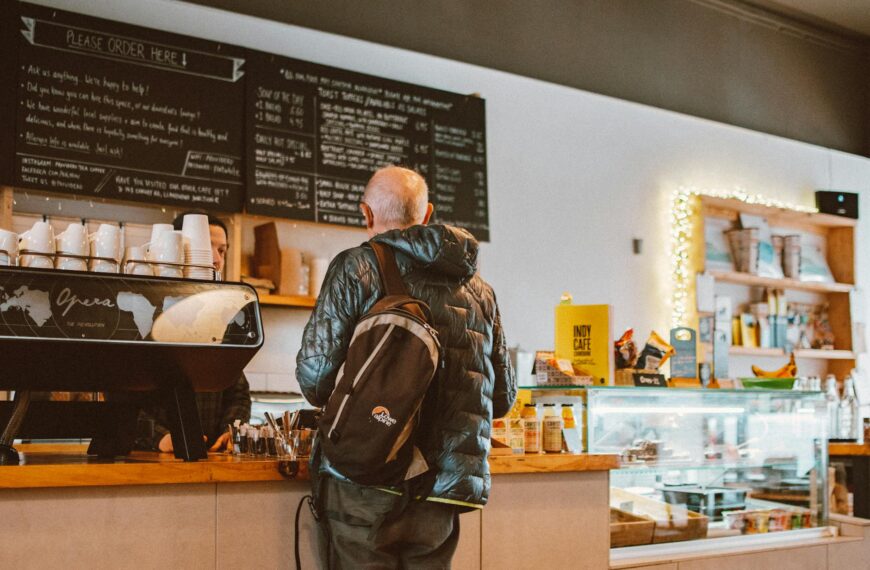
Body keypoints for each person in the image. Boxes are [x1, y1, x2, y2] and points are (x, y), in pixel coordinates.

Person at [296, 166, 516, 568]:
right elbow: (502, 398)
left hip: (367, 476)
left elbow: (315, 377)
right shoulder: (480, 290)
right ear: (426, 214)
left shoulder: (356, 267)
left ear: (366, 214)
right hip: (445, 487)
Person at [136, 212, 251, 453]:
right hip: (149, 458)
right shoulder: (143, 312)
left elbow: (237, 393)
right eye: (207, 246)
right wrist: (159, 438)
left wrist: (230, 431)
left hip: (207, 457)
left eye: (222, 251)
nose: (217, 259)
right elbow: (122, 396)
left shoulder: (220, 316)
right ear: (177, 247)